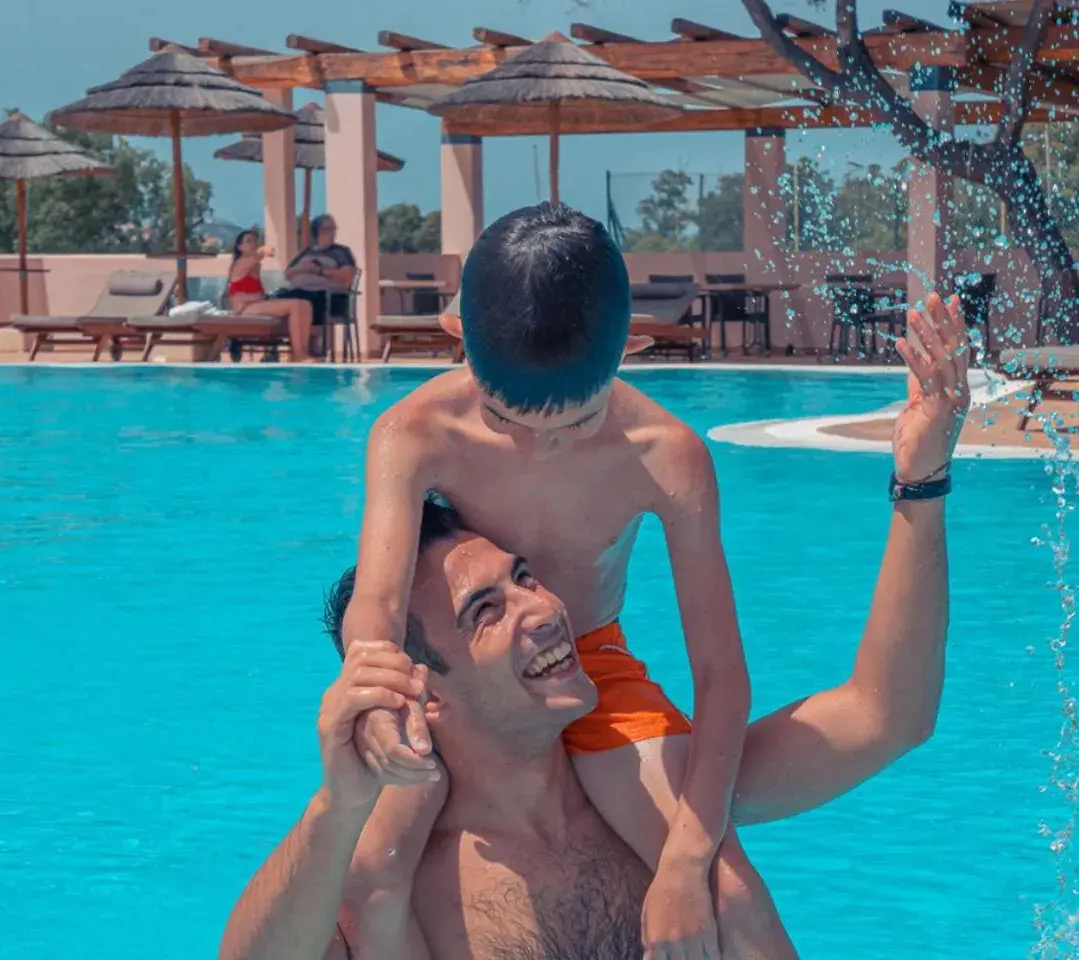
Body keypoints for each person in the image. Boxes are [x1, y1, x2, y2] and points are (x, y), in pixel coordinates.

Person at [337, 203, 970, 956]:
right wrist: (374, 693)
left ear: (632, 352)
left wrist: (687, 858)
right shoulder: (413, 431)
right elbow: (376, 605)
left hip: (591, 660)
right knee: (366, 871)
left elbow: (721, 676)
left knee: (730, 895)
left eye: (576, 424)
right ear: (459, 348)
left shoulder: (663, 452)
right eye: (509, 422)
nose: (544, 445)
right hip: (467, 688)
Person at [225, 229, 314, 363]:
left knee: (305, 305)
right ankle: (300, 355)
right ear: (240, 247)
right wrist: (263, 251)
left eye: (255, 240)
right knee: (295, 306)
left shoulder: (256, 265)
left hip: (256, 304)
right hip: (244, 309)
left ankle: (301, 353)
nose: (254, 243)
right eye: (249, 241)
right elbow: (257, 256)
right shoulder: (239, 264)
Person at [277, 214, 357, 352]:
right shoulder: (306, 252)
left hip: (329, 298)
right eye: (328, 229)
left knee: (301, 305)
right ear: (318, 231)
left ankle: (307, 349)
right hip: (299, 293)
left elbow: (347, 277)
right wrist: (302, 268)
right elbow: (288, 274)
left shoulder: (341, 252)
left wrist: (318, 270)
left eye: (333, 229)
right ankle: (279, 346)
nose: (332, 232)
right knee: (278, 300)